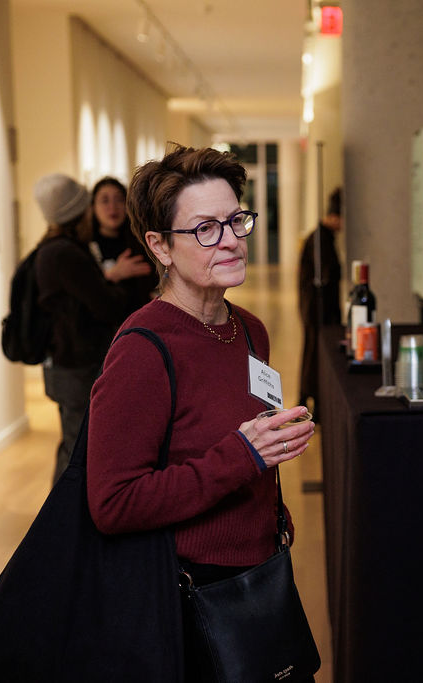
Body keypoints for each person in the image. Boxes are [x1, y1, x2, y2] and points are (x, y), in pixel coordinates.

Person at [85, 145, 315, 680]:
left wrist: (268, 510)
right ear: (160, 246)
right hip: (190, 598)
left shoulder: (249, 328)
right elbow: (113, 503)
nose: (232, 238)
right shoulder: (143, 348)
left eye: (236, 219)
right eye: (206, 228)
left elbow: (247, 443)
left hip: (261, 574)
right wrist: (243, 456)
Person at [32, 173, 150, 483]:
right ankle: (61, 524)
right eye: (99, 201)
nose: (110, 208)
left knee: (82, 441)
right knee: (77, 446)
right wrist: (112, 277)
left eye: (118, 200)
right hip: (77, 361)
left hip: (95, 357)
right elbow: (104, 304)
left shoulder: (61, 249)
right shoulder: (66, 252)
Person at [297, 187, 342, 416]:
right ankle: (310, 400)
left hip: (315, 306)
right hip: (317, 308)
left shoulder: (322, 237)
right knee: (315, 353)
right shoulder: (320, 240)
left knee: (312, 352)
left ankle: (306, 398)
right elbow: (324, 276)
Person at [88, 176, 157, 316]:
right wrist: (113, 274)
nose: (112, 207)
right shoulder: (86, 246)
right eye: (105, 200)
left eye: (119, 200)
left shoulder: (141, 241)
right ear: (93, 207)